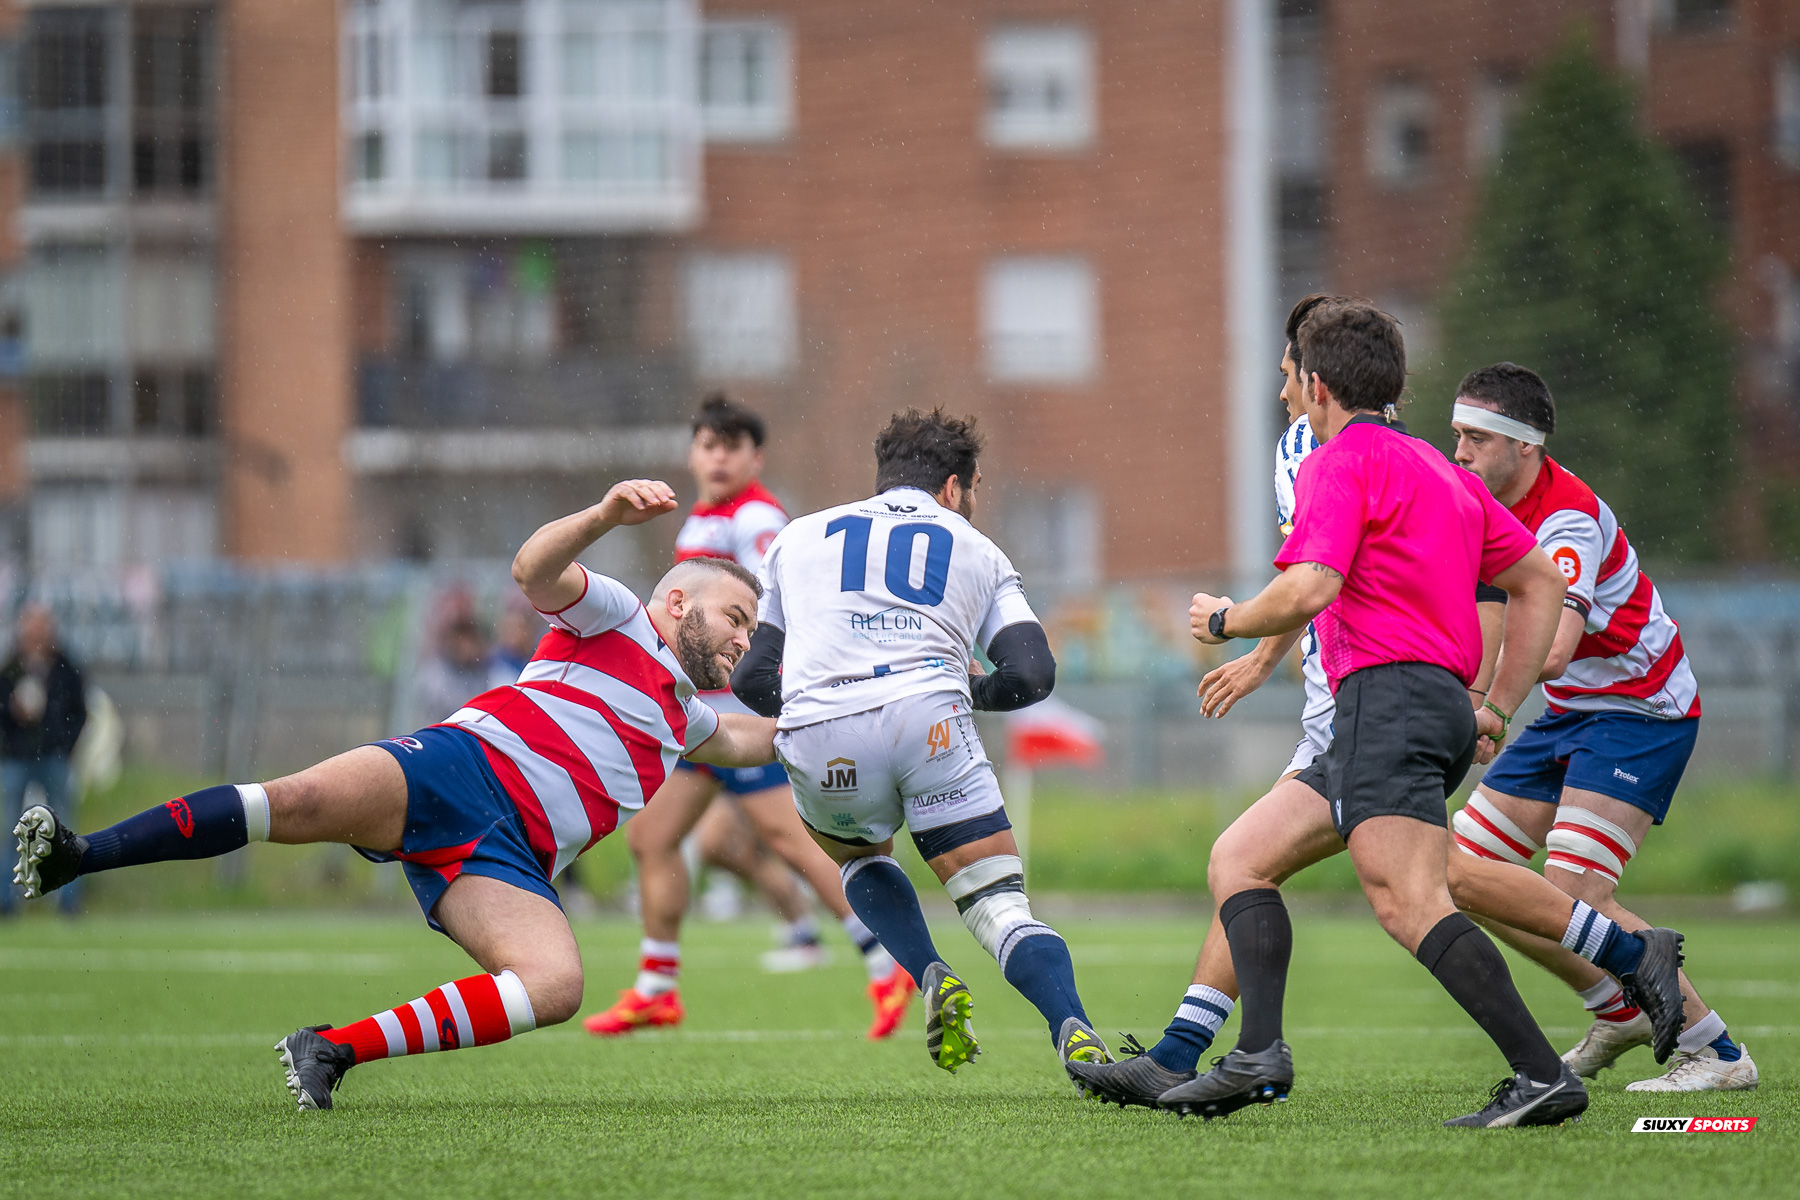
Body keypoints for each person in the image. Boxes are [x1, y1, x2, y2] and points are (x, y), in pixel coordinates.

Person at [1076, 299, 1682, 1127]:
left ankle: (1547, 1069)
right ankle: (1251, 1052)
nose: (1287, 391)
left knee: (1413, 902)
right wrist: (1495, 707)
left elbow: (1314, 583)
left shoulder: (1336, 462)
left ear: (1317, 385)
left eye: (1292, 379)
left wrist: (1227, 620)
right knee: (1241, 860)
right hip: (1425, 703)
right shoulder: (1441, 469)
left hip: (1385, 699)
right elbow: (1537, 581)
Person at [13, 480, 780, 1111]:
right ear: (678, 605)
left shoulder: (688, 718)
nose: (745, 640)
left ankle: (332, 1049)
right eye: (737, 618)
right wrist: (604, 518)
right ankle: (80, 856)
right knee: (294, 801)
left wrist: (845, 705)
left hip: (509, 855)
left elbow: (755, 740)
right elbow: (532, 572)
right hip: (458, 768)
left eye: (752, 629)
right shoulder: (616, 617)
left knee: (557, 985)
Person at [732, 408, 1110, 1077]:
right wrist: (972, 692)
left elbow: (752, 676)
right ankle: (1071, 1027)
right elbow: (1032, 673)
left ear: (882, 479)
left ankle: (928, 967)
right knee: (998, 905)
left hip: (823, 729)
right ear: (954, 488)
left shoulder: (798, 538)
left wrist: (813, 706)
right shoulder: (976, 548)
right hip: (931, 718)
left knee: (858, 857)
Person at [1447, 362, 1755, 1093]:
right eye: (1456, 433)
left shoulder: (1566, 522)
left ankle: (1719, 1053)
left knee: (1575, 890)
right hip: (1572, 711)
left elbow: (1550, 649)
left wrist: (1487, 705)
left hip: (1641, 710)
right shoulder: (1485, 506)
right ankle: (1619, 1008)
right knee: (1463, 873)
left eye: (1477, 438)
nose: (1458, 451)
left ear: (1525, 447)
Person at [587, 394, 913, 1040]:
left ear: (754, 457)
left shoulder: (758, 518)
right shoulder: (703, 520)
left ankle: (887, 963)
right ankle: (656, 987)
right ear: (692, 453)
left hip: (744, 715)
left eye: (730, 446)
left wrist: (785, 683)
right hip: (703, 712)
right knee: (651, 838)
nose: (716, 457)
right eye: (707, 444)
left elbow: (777, 598)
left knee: (796, 842)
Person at [1, 604, 87, 916]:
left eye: (42, 625)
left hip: (53, 757)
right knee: (10, 830)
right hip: (16, 758)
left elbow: (79, 711)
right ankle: (5, 900)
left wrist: (64, 744)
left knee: (64, 831)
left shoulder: (65, 667)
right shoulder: (10, 668)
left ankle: (69, 901)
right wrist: (12, 722)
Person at [414, 615, 492, 724]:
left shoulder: (482, 672)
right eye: (465, 643)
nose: (469, 648)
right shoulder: (436, 674)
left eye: (472, 642)